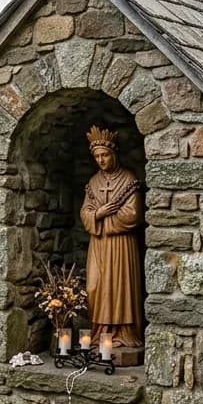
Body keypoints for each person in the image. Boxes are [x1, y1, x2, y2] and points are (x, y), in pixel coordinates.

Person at [79, 126, 145, 348]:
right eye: (97, 156)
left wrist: (105, 221)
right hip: (98, 245)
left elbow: (132, 215)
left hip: (121, 245)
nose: (101, 160)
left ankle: (124, 333)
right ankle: (100, 332)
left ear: (114, 154)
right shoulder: (94, 182)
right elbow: (85, 212)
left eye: (105, 155)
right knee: (96, 287)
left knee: (120, 286)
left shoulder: (128, 179)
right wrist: (99, 213)